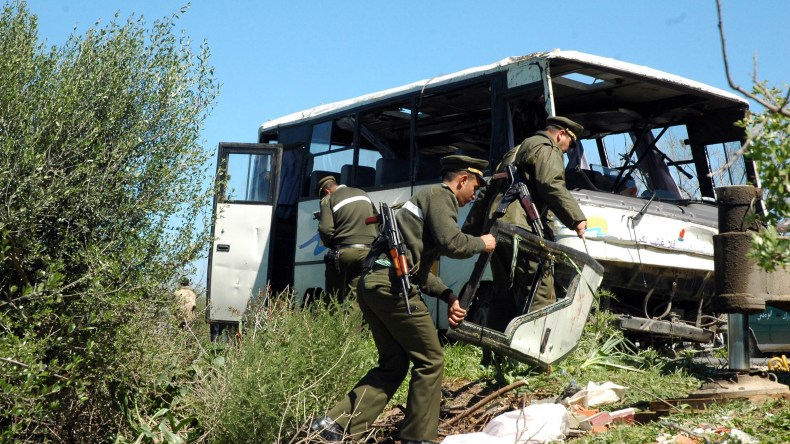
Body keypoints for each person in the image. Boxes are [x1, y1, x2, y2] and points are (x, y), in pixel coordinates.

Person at [311, 155, 497, 444]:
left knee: (394, 364)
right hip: (392, 287)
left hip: (373, 284)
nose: (475, 195)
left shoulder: (426, 199)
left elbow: (419, 274)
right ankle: (418, 437)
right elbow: (452, 243)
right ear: (462, 179)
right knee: (431, 359)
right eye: (475, 186)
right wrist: (481, 243)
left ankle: (334, 424)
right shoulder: (441, 196)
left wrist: (448, 296)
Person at [463, 116, 588, 336]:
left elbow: (488, 191)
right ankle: (534, 349)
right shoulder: (547, 148)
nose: (567, 150)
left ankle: (495, 350)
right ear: (561, 135)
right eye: (569, 145)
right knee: (538, 287)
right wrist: (576, 218)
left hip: (498, 227)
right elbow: (551, 184)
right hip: (521, 227)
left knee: (504, 292)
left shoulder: (515, 151)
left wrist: (470, 232)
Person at [317, 175, 378, 304]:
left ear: (326, 191)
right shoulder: (363, 193)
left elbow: (325, 230)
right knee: (355, 298)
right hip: (368, 254)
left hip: (344, 252)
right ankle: (353, 318)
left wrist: (332, 245)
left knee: (333, 298)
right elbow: (377, 220)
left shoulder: (328, 199)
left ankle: (332, 317)